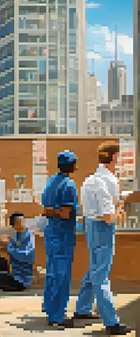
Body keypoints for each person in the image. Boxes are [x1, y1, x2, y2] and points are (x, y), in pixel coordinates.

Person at [73, 142, 131, 335]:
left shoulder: (90, 180)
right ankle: (111, 322)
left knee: (94, 269)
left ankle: (82, 309)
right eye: (119, 156)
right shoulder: (107, 182)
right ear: (114, 158)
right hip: (103, 229)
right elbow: (108, 217)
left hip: (91, 227)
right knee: (101, 275)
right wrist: (120, 207)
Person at [41, 151, 79, 328]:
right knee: (61, 276)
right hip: (63, 236)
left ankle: (50, 309)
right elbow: (65, 214)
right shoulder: (68, 185)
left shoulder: (51, 182)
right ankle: (57, 316)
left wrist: (49, 211)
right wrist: (54, 212)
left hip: (51, 234)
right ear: (71, 165)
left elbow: (45, 210)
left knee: (51, 273)